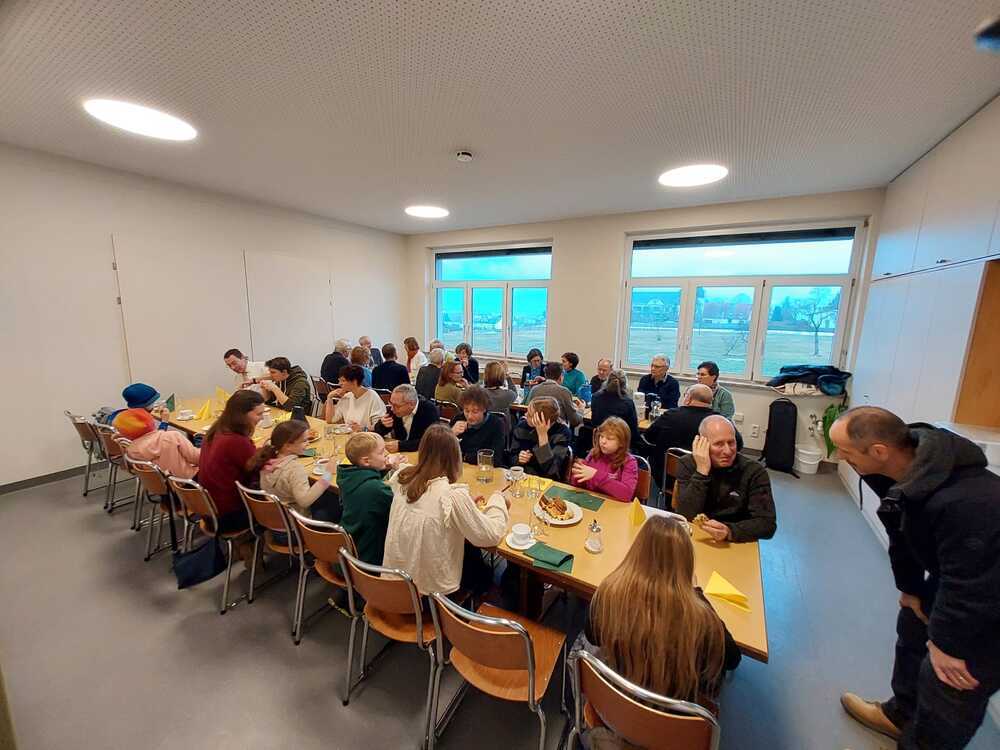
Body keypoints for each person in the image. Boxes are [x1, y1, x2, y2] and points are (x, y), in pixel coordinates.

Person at [829, 407, 1000, 749]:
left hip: (988, 599)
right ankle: (900, 715)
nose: (840, 458)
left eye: (845, 451)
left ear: (879, 451)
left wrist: (948, 645)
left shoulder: (970, 501)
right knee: (913, 626)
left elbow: (972, 583)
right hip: (955, 577)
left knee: (947, 684)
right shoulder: (899, 470)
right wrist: (909, 588)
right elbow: (900, 533)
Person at [584, 516, 741, 709]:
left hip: (613, 707)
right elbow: (732, 659)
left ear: (636, 552)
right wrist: (697, 594)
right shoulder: (700, 617)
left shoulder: (609, 593)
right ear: (686, 564)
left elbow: (592, 636)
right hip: (672, 718)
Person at [382, 425, 509, 596]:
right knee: (479, 566)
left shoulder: (402, 477)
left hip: (394, 584)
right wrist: (498, 500)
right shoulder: (451, 496)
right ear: (455, 457)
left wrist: (465, 507)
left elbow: (429, 509)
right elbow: (490, 536)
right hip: (430, 595)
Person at [674, 415, 776, 542]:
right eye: (719, 444)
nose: (728, 451)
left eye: (731, 443)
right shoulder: (687, 464)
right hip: (696, 538)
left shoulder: (754, 472)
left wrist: (730, 531)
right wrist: (701, 472)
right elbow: (685, 515)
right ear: (701, 444)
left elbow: (767, 524)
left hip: (735, 541)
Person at [197, 390, 266, 533]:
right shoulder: (236, 441)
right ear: (242, 415)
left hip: (209, 510)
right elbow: (258, 472)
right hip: (229, 517)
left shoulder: (217, 430)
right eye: (259, 414)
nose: (262, 418)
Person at [337, 432, 407, 566]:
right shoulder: (376, 489)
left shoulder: (346, 477)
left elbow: (367, 478)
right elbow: (402, 507)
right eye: (381, 452)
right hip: (367, 559)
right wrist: (399, 470)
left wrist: (383, 468)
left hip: (348, 551)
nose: (386, 455)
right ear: (366, 461)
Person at [250, 420, 341, 523]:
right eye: (304, 441)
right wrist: (328, 474)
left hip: (275, 517)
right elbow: (304, 501)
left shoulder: (266, 459)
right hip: (295, 522)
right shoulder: (294, 469)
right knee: (337, 499)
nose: (308, 443)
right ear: (287, 446)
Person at [114, 408, 200, 480]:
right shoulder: (172, 436)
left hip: (165, 486)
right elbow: (197, 459)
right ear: (150, 421)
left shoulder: (132, 450)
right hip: (191, 481)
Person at [570, 417, 638, 502]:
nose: (603, 441)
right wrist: (577, 475)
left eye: (609, 438)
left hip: (614, 505)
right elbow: (579, 486)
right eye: (601, 436)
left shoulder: (629, 462)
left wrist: (596, 475)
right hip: (592, 501)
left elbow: (627, 494)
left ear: (621, 443)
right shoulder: (594, 454)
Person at [510, 397, 573, 480]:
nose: (525, 415)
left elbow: (551, 470)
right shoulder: (522, 426)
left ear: (542, 420)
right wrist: (519, 459)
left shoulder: (562, 433)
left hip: (547, 480)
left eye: (530, 415)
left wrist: (542, 435)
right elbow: (511, 457)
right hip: (523, 477)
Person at [451, 386, 508, 467]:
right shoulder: (458, 419)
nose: (470, 416)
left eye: (475, 411)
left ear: (484, 409)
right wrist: (451, 434)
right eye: (466, 411)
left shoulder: (496, 424)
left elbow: (495, 458)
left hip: (486, 469)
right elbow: (443, 453)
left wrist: (465, 457)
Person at [373, 384, 440, 452]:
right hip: (401, 454)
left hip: (421, 453)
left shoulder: (429, 410)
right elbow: (378, 432)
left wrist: (401, 446)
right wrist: (382, 425)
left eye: (397, 406)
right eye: (391, 403)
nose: (392, 409)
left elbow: (430, 441)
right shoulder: (394, 409)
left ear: (412, 404)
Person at [325, 365, 386, 431]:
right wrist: (329, 397)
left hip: (367, 436)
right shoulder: (347, 397)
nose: (339, 383)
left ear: (354, 382)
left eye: (343, 380)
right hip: (352, 435)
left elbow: (379, 427)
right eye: (339, 380)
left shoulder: (372, 397)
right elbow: (330, 420)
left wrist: (362, 428)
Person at [588, 369, 639, 448]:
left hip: (600, 441)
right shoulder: (627, 403)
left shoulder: (595, 397)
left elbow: (594, 422)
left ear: (607, 381)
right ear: (625, 385)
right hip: (619, 444)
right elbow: (633, 431)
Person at [525, 361, 583, 428]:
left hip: (536, 429)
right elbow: (574, 421)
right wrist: (581, 410)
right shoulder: (564, 392)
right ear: (561, 376)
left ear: (545, 375)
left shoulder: (534, 389)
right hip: (558, 430)